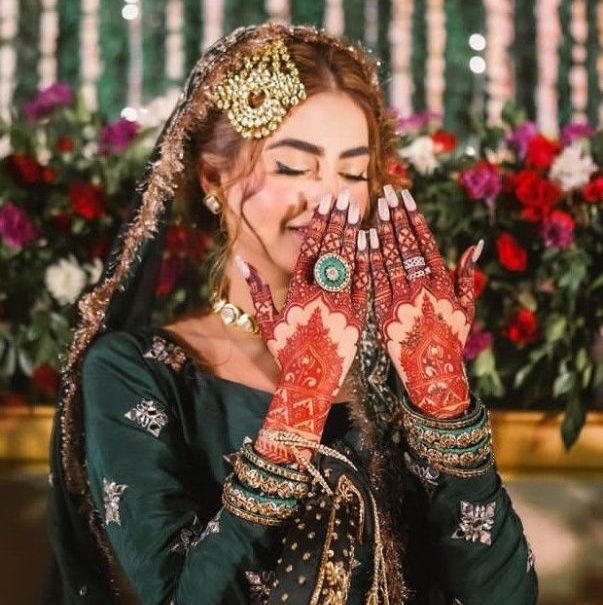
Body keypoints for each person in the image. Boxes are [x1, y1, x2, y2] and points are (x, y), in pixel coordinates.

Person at [46, 23, 538, 605]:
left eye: (353, 173)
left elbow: (506, 596)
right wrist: (299, 404)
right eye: (293, 167)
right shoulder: (138, 371)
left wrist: (443, 402)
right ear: (213, 176)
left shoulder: (401, 358)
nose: (330, 197)